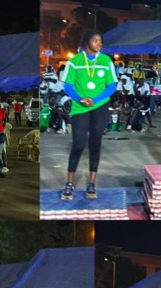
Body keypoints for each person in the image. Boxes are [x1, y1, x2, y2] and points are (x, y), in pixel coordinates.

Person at [59, 29, 118, 201]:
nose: (99, 43)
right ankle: (69, 184)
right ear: (87, 42)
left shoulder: (106, 61)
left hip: (99, 105)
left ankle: (91, 183)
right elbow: (68, 86)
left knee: (95, 143)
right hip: (80, 106)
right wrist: (80, 98)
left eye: (100, 40)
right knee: (78, 144)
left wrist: (96, 99)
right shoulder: (75, 62)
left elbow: (112, 85)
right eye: (95, 40)